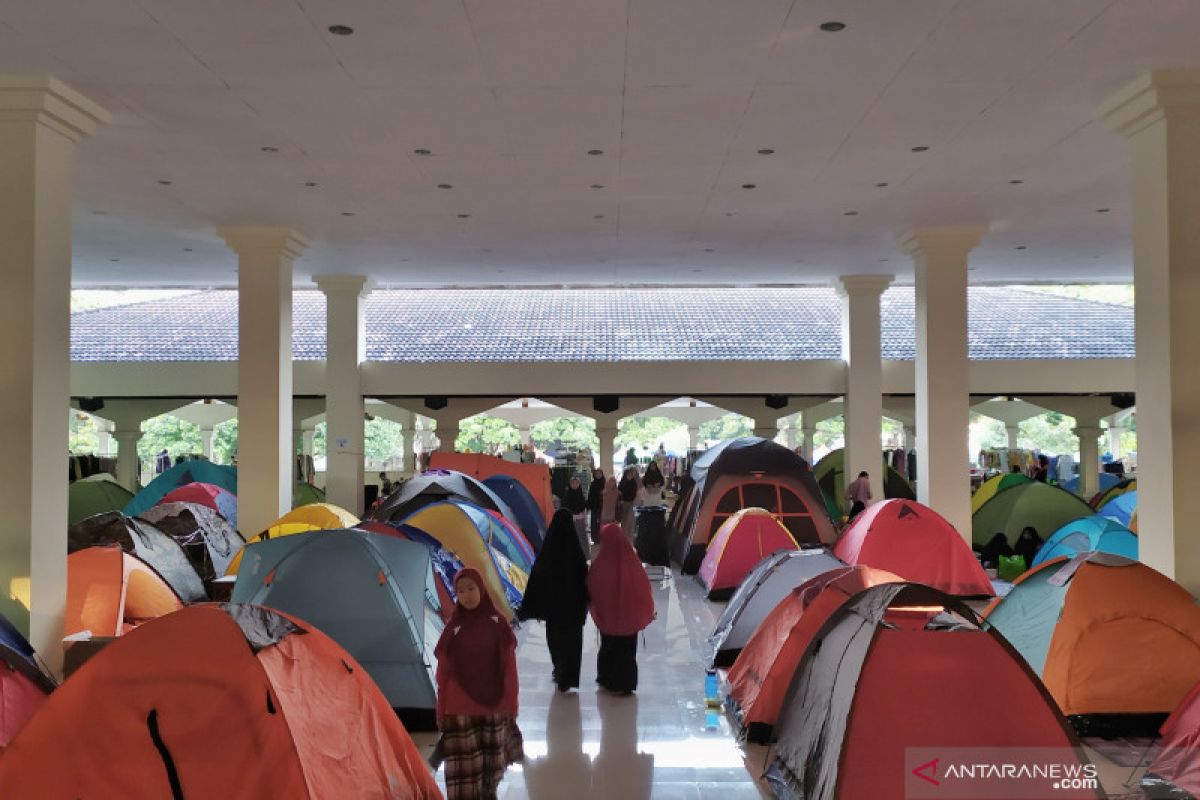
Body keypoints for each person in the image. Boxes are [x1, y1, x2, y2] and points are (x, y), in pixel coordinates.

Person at [435, 568, 525, 799]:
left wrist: (511, 706)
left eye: (471, 589)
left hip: (493, 709)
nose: (466, 596)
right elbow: (443, 675)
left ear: (482, 589)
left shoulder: (499, 626)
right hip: (459, 711)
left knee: (490, 773)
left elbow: (509, 670)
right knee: (463, 777)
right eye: (460, 591)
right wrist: (441, 711)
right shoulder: (452, 630)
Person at [518, 509, 589, 693]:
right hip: (573, 612)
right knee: (573, 643)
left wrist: (534, 608)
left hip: (554, 612)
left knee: (556, 641)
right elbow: (585, 581)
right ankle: (569, 677)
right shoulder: (577, 553)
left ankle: (559, 671)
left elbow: (537, 580)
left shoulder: (547, 551)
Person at [587, 523, 655, 695]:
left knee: (608, 647)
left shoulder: (599, 564)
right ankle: (625, 684)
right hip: (629, 621)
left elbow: (592, 589)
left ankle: (607, 679)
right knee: (627, 651)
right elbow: (643, 588)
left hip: (608, 620)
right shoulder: (633, 561)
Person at [617, 467, 640, 536]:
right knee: (624, 517)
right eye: (628, 475)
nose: (630, 476)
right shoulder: (622, 482)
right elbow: (620, 491)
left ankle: (629, 532)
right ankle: (623, 532)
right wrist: (621, 500)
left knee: (630, 518)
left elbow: (634, 492)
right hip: (624, 502)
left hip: (631, 502)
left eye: (631, 475)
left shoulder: (633, 482)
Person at [586, 468, 606, 542]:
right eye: (597, 474)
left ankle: (603, 538)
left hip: (603, 507)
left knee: (602, 523)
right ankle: (595, 538)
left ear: (602, 474)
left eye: (600, 473)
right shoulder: (593, 484)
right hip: (594, 506)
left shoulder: (605, 484)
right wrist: (588, 506)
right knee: (594, 523)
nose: (598, 475)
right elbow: (590, 495)